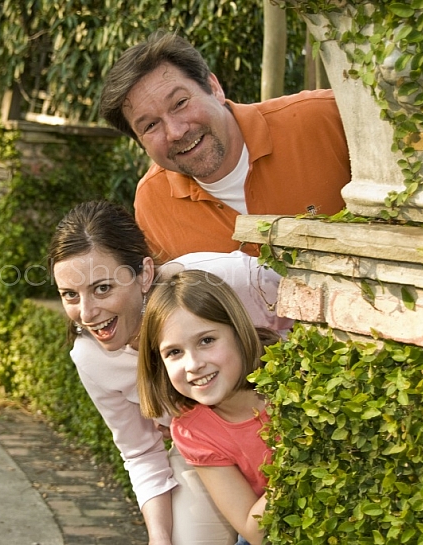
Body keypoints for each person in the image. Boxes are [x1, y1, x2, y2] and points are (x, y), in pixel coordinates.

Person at [48, 200, 291, 545]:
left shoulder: (224, 280)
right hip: (205, 448)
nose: (87, 313)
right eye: (70, 295)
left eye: (103, 288)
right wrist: (158, 536)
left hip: (277, 419)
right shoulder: (90, 356)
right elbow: (140, 451)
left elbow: (318, 309)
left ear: (144, 274)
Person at [99, 30, 352, 262]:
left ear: (214, 88)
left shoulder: (324, 119)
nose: (176, 132)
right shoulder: (153, 203)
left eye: (180, 103)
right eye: (151, 126)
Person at [137, 270, 280, 545]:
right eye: (174, 352)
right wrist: (299, 461)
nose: (193, 365)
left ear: (239, 333)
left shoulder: (288, 379)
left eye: (206, 341)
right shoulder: (195, 430)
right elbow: (256, 531)